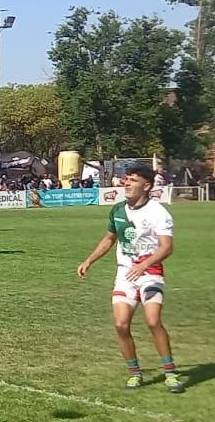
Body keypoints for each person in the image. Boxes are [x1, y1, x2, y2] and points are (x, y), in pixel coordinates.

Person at [77, 162, 185, 393]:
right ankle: (135, 373)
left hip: (150, 272)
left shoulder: (158, 212)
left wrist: (144, 264)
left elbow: (166, 247)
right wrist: (89, 260)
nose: (126, 183)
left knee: (153, 321)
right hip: (125, 274)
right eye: (126, 179)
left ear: (146, 186)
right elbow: (108, 239)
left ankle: (170, 373)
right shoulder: (117, 210)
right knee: (120, 324)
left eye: (133, 180)